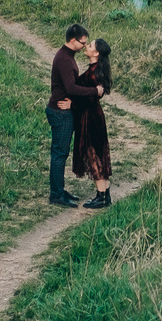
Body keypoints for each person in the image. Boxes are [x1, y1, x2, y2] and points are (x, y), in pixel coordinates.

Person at [47, 23, 98, 207]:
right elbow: (71, 88)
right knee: (59, 154)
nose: (84, 46)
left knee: (60, 152)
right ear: (73, 40)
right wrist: (94, 90)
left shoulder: (67, 56)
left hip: (62, 110)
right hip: (60, 112)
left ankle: (59, 190)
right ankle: (56, 195)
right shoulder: (64, 60)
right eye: (83, 43)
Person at [71, 36, 113, 208]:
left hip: (90, 116)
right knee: (97, 153)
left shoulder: (93, 73)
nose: (86, 47)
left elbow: (87, 97)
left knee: (92, 154)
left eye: (89, 45)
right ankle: (104, 194)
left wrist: (71, 103)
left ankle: (101, 196)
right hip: (95, 115)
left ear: (95, 53)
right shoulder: (97, 70)